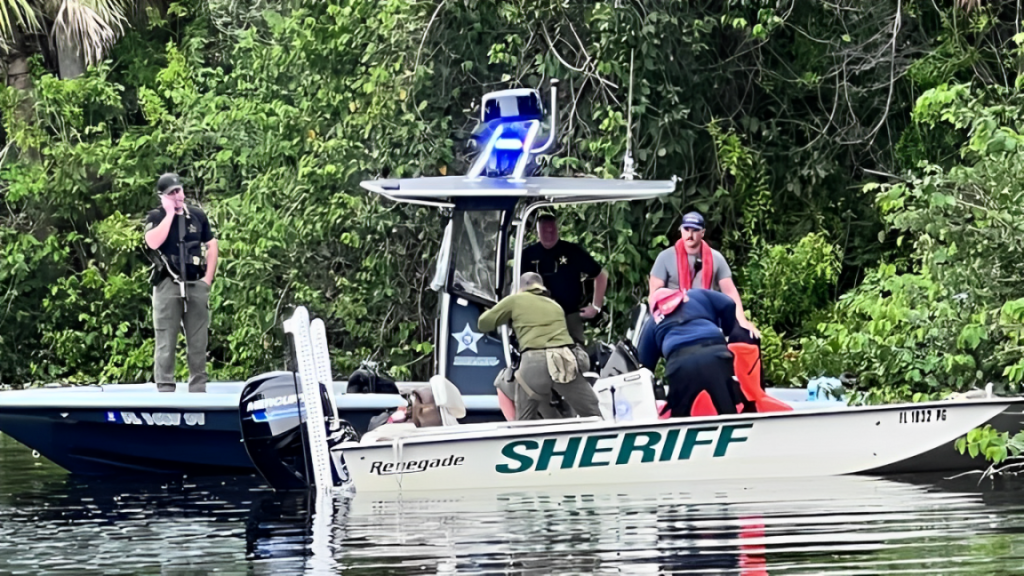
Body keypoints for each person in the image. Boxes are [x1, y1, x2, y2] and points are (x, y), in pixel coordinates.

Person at [477, 272, 603, 421]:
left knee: (523, 420)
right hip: (564, 361)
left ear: (520, 288)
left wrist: (502, 312)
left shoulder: (515, 300)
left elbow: (483, 324)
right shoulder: (555, 306)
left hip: (533, 363)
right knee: (593, 415)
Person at [144, 173, 219, 393]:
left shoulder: (196, 215)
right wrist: (169, 214)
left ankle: (198, 387)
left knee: (198, 341)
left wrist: (208, 280)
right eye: (172, 193)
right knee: (166, 339)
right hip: (168, 282)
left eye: (179, 191)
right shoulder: (156, 216)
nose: (178, 196)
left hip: (195, 281)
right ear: (163, 196)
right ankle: (165, 388)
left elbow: (212, 244)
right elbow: (152, 242)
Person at [648, 211, 760, 341]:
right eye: (686, 229)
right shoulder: (665, 257)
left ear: (702, 233)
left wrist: (743, 321)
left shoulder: (716, 258)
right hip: (675, 318)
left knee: (747, 337)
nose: (690, 235)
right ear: (681, 230)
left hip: (707, 317)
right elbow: (654, 296)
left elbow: (730, 292)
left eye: (695, 230)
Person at [636, 287, 742, 417]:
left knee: (681, 418)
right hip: (715, 352)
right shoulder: (696, 294)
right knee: (727, 409)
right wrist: (727, 330)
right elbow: (728, 303)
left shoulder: (653, 322)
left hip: (681, 364)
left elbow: (644, 366)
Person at [521, 213, 608, 345]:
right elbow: (517, 284)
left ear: (558, 229)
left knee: (576, 355)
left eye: (552, 230)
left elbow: (601, 275)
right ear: (538, 232)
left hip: (569, 315)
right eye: (545, 231)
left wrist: (596, 306)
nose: (549, 235)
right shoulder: (528, 255)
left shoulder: (571, 251)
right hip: (539, 318)